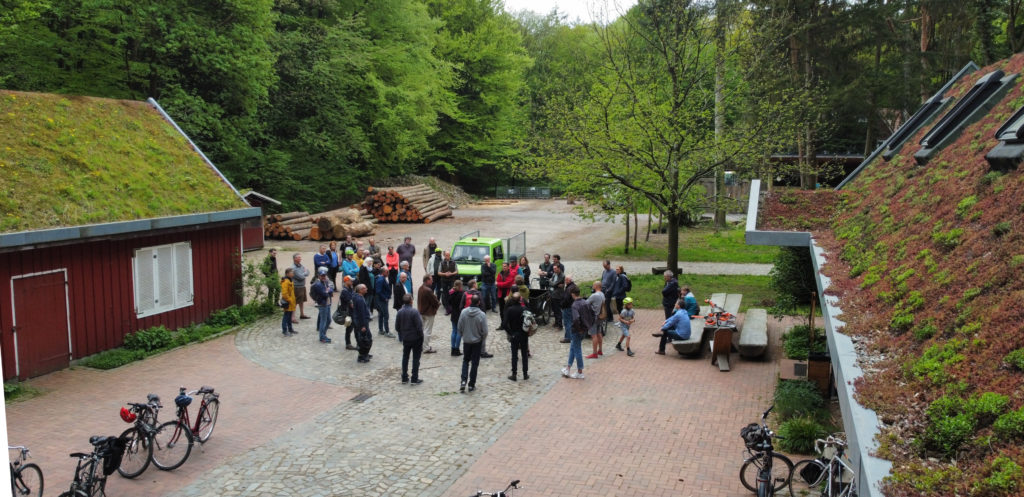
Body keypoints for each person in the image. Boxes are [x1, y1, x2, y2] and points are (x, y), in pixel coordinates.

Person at [458, 295, 488, 392]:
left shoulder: (463, 312)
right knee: (475, 363)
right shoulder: (482, 315)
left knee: (466, 360)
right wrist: (482, 338)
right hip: (477, 342)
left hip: (466, 341)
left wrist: (464, 335)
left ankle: (463, 380)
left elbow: (459, 327)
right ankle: (471, 384)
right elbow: (485, 331)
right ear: (479, 302)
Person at [395, 293, 424, 384]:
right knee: (415, 358)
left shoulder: (400, 312)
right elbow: (419, 327)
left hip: (406, 338)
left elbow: (397, 327)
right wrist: (421, 336)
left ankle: (404, 377)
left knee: (405, 357)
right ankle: (414, 378)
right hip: (416, 339)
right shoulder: (414, 312)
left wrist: (403, 333)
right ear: (411, 301)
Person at [564, 286, 590, 379]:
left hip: (577, 330)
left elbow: (575, 319)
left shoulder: (575, 305)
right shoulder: (585, 302)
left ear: (572, 294)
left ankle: (580, 371)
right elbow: (591, 315)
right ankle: (568, 368)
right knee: (573, 348)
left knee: (577, 349)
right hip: (584, 329)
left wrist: (579, 329)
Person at [504, 292, 529, 381]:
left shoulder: (509, 310)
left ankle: (514, 374)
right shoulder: (524, 308)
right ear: (520, 300)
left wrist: (510, 333)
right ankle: (525, 374)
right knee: (524, 354)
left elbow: (504, 324)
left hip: (514, 334)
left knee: (514, 355)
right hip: (523, 334)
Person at [417, 275, 440, 354]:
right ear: (427, 280)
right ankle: (426, 348)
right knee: (427, 331)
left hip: (421, 311)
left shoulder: (420, 288)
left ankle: (421, 346)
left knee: (423, 329)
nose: (432, 281)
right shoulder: (428, 290)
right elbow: (435, 301)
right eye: (431, 280)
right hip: (428, 313)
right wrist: (437, 305)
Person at [310, 267, 334, 343]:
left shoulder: (325, 282)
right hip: (323, 304)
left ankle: (323, 334)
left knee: (328, 320)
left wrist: (328, 290)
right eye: (322, 276)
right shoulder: (318, 285)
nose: (323, 277)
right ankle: (322, 337)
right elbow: (325, 294)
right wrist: (328, 291)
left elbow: (331, 290)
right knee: (323, 321)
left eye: (324, 275)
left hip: (328, 304)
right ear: (319, 276)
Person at [352, 284, 373, 362]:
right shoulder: (359, 299)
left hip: (359, 322)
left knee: (364, 339)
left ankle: (365, 353)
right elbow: (361, 313)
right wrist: (363, 325)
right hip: (362, 323)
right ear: (360, 290)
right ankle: (362, 355)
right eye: (364, 288)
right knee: (365, 340)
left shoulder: (357, 297)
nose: (366, 289)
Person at [585, 281, 605, 359]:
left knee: (594, 335)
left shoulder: (594, 295)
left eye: (593, 285)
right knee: (599, 333)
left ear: (596, 286)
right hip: (601, 316)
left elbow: (586, 303)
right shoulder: (602, 294)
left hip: (594, 317)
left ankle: (594, 353)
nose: (592, 286)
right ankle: (600, 350)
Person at [448, 280, 467, 356]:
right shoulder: (461, 294)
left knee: (454, 331)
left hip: (453, 314)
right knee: (459, 332)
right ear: (460, 286)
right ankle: (457, 349)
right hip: (460, 314)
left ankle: (453, 349)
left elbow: (448, 303)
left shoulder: (451, 293)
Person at [291, 253, 311, 322]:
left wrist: (304, 273)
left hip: (302, 286)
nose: (300, 259)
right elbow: (301, 277)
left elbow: (308, 271)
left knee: (302, 301)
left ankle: (302, 314)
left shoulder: (301, 265)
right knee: (295, 302)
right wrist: (304, 273)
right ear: (295, 259)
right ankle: (292, 317)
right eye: (298, 258)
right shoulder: (293, 268)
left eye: (300, 257)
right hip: (297, 287)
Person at [496, 262, 515, 330]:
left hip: (508, 294)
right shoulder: (500, 273)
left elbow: (508, 283)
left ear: (508, 267)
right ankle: (503, 325)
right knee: (501, 310)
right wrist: (500, 284)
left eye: (505, 266)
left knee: (508, 310)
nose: (504, 267)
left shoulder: (511, 274)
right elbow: (497, 281)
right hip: (501, 294)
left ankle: (509, 325)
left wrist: (499, 284)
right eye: (503, 266)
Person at [339, 276, 357, 350]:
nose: (352, 282)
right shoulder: (345, 291)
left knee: (351, 328)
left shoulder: (350, 289)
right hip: (348, 313)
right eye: (351, 281)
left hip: (351, 312)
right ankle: (348, 343)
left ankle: (349, 343)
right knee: (349, 328)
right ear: (346, 281)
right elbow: (350, 302)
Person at [375, 267, 393, 337]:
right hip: (382, 300)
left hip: (382, 300)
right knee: (386, 315)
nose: (388, 273)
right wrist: (385, 298)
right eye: (387, 272)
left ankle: (381, 330)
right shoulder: (381, 279)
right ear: (383, 272)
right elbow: (378, 291)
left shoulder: (382, 278)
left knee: (381, 314)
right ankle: (387, 332)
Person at [559, 275, 578, 343]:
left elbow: (566, 299)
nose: (565, 281)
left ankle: (568, 337)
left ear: (569, 280)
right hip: (572, 307)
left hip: (567, 307)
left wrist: (561, 304)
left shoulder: (569, 288)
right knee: (571, 322)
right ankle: (571, 336)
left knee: (567, 323)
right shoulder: (574, 286)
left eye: (566, 280)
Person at [280, 268, 296, 336]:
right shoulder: (285, 282)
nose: (293, 273)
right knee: (286, 316)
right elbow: (285, 294)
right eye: (291, 272)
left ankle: (290, 329)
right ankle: (284, 330)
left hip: (291, 302)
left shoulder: (290, 281)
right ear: (287, 274)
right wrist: (290, 300)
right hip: (288, 302)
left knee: (289, 316)